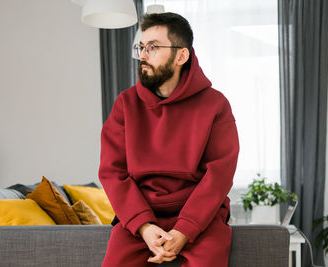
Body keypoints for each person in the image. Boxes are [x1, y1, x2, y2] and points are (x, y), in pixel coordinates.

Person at [99, 12, 239, 267]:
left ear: (181, 56)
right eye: (141, 47)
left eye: (152, 47)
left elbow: (219, 175)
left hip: (199, 215)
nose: (142, 55)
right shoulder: (125, 104)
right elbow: (112, 171)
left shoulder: (216, 105)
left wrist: (184, 230)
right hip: (141, 211)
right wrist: (143, 226)